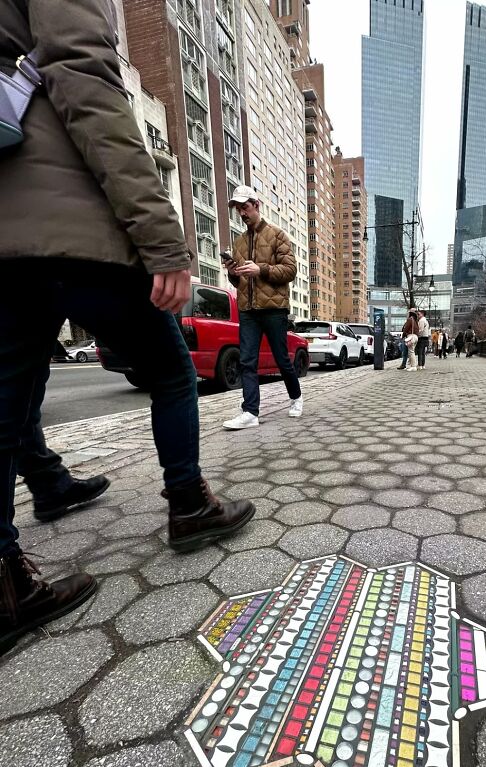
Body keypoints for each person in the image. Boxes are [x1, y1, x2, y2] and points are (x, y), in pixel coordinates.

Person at [0, 0, 255, 655]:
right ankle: (189, 502)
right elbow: (84, 78)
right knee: (171, 366)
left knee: (10, 391)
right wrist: (160, 235)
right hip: (67, 217)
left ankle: (7, 568)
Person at [221, 186, 303, 429]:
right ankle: (250, 413)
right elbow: (239, 281)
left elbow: (290, 271)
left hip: (274, 309)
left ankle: (296, 397)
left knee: (281, 360)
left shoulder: (278, 235)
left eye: (245, 208)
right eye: (238, 210)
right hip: (248, 310)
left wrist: (262, 269)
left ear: (256, 205)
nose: (242, 214)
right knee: (247, 361)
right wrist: (233, 273)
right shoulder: (238, 242)